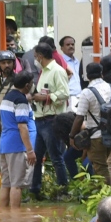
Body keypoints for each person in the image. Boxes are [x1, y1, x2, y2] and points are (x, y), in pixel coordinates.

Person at [73, 62, 111, 184]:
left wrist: (72, 136)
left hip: (96, 137)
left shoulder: (86, 92)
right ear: (101, 74)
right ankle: (110, 191)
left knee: (100, 169)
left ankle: (108, 193)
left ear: (87, 76)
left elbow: (79, 118)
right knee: (110, 165)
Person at [30, 43, 72, 197]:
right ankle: (35, 189)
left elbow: (64, 93)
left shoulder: (57, 71)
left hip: (52, 120)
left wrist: (46, 97)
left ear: (41, 56)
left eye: (36, 57)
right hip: (40, 118)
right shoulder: (43, 71)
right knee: (37, 157)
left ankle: (63, 190)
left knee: (56, 157)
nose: (35, 60)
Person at [0, 72, 38, 208]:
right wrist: (30, 150)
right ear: (27, 85)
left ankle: (3, 215)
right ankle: (16, 217)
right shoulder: (20, 101)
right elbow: (22, 127)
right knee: (16, 185)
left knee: (6, 184)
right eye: (31, 83)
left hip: (4, 145)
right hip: (16, 147)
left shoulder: (6, 98)